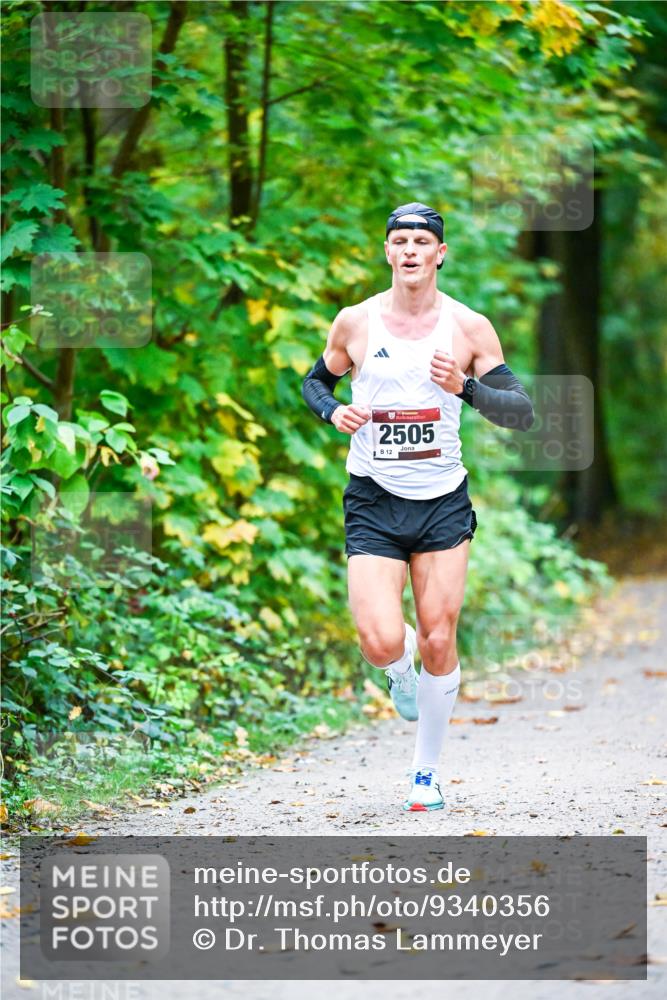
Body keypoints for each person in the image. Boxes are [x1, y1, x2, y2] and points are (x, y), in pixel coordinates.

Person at [302, 202, 534, 812]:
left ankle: (424, 775)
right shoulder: (355, 322)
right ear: (387, 252)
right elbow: (312, 383)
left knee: (438, 635)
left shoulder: (468, 328)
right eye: (398, 240)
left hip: (442, 502)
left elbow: (522, 411)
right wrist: (333, 411)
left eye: (420, 241)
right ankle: (398, 672)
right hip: (374, 497)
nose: (409, 250)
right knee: (380, 639)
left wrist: (467, 388)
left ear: (439, 253)